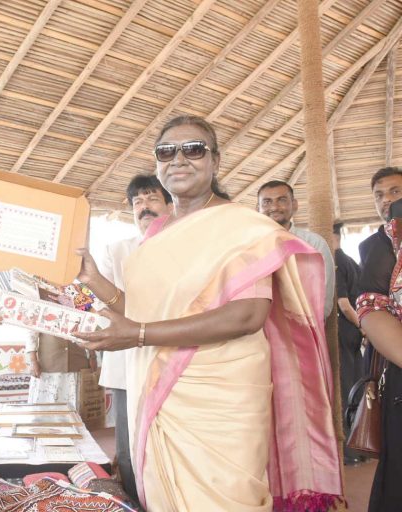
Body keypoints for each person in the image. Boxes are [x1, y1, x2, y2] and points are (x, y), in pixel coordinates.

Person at [75, 115, 342, 511]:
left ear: (215, 161)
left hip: (224, 392)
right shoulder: (157, 233)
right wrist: (95, 280)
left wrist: (138, 334)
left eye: (194, 149)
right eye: (167, 152)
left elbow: (247, 316)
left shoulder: (242, 227)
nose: (179, 159)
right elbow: (146, 312)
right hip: (161, 387)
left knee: (229, 497)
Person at [96, 173, 171, 500]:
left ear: (170, 204)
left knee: (168, 444)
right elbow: (97, 304)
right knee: (128, 446)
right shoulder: (115, 251)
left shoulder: (187, 246)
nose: (144, 207)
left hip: (174, 359)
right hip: (126, 363)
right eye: (137, 202)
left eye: (152, 198)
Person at [354, 167, 402, 511]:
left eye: (395, 191)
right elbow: (369, 307)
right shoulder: (374, 246)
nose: (387, 200)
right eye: (379, 195)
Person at [257, 180, 335, 318]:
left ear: (294, 205)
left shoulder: (314, 243)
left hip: (305, 325)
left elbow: (324, 297)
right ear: (258, 208)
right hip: (258, 326)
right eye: (267, 202)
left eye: (281, 200)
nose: (274, 207)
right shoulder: (250, 246)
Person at [332, 221, 364, 464]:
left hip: (343, 329)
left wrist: (361, 325)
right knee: (356, 386)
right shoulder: (351, 262)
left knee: (344, 389)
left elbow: (343, 304)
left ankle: (348, 451)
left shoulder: (336, 262)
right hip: (354, 333)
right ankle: (360, 447)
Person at [25, 331, 97, 411]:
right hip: (48, 368)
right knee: (46, 410)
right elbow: (31, 334)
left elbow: (88, 330)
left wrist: (92, 355)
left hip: (77, 365)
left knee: (76, 410)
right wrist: (33, 360)